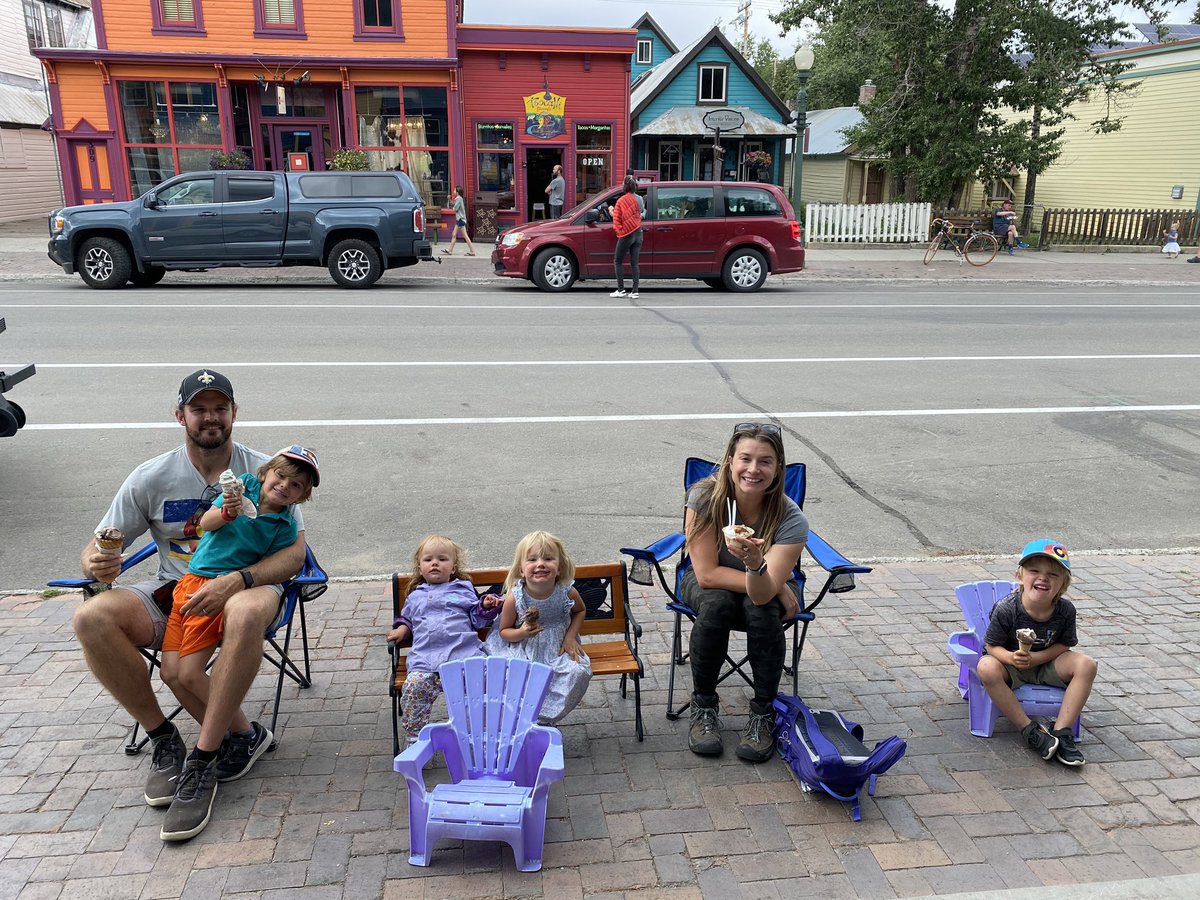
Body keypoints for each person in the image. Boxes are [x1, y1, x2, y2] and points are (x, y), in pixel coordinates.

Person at [75, 370, 306, 834]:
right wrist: (96, 563)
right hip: (176, 589)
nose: (210, 417)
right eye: (199, 409)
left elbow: (295, 554)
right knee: (91, 616)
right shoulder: (151, 476)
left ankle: (203, 758)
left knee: (242, 608)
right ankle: (172, 738)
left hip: (247, 586)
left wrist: (238, 580)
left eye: (220, 408)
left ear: (234, 414)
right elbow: (98, 546)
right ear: (180, 416)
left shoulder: (271, 471)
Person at [157, 445, 319, 840]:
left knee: (191, 673)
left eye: (296, 486)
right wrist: (228, 508)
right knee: (169, 673)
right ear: (265, 474)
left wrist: (246, 582)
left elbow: (289, 562)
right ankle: (244, 735)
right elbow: (205, 525)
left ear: (301, 497)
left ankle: (233, 740)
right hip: (187, 584)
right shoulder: (240, 486)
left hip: (217, 592)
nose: (285, 486)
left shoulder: (282, 527)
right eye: (281, 476)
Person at [683, 423, 808, 763]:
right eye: (746, 459)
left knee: (761, 610)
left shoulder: (790, 518)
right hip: (711, 581)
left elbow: (762, 595)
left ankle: (762, 714)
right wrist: (776, 584)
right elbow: (707, 574)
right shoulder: (705, 498)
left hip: (763, 582)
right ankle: (704, 707)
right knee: (717, 603)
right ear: (729, 461)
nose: (753, 470)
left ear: (778, 468)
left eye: (765, 461)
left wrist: (756, 566)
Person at [978, 539, 1097, 767]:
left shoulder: (1065, 611)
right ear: (1020, 576)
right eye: (1034, 571)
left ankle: (1062, 732)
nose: (1043, 578)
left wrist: (1038, 658)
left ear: (1063, 585)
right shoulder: (1007, 609)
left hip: (1047, 664)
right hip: (1012, 667)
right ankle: (1029, 730)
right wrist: (1011, 658)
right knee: (986, 667)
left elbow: (1065, 644)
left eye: (1053, 574)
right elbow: (991, 646)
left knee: (1087, 664)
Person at [387, 535, 501, 741]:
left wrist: (484, 607)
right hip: (426, 661)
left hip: (463, 656)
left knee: (483, 686)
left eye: (442, 559)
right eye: (428, 559)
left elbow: (476, 619)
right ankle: (416, 737)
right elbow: (408, 619)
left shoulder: (463, 589)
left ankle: (481, 732)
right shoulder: (415, 596)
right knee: (414, 686)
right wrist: (403, 630)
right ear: (420, 567)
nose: (435, 563)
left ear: (453, 567)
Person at [485, 531, 591, 724]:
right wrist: (521, 632)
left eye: (548, 558)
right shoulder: (516, 597)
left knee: (577, 672)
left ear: (559, 568)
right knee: (516, 674)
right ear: (521, 570)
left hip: (557, 646)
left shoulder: (566, 592)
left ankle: (545, 719)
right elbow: (503, 631)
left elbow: (580, 611)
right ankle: (522, 718)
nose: (540, 563)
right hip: (523, 646)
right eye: (532, 559)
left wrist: (570, 637)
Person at [608, 175, 643, 300]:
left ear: (625, 186)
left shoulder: (621, 200)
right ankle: (635, 291)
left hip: (627, 234)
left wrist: (610, 210)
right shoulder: (639, 199)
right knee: (634, 263)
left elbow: (617, 218)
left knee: (618, 261)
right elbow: (640, 213)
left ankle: (621, 289)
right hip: (638, 232)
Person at [442, 185, 475, 256]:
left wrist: (450, 201)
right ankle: (450, 250)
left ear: (457, 192)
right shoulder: (459, 199)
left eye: (454, 190)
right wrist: (450, 200)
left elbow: (455, 208)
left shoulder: (459, 199)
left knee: (465, 236)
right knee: (454, 234)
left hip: (460, 219)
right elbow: (454, 205)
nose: (453, 191)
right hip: (459, 219)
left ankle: (472, 251)